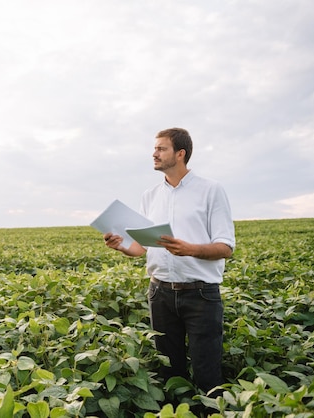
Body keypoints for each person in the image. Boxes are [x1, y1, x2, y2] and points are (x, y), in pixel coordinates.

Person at [103, 128, 235, 395]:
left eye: (161, 149)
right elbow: (141, 247)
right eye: (155, 149)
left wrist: (190, 249)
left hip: (201, 294)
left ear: (180, 154)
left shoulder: (211, 190)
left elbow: (225, 247)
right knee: (169, 372)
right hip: (159, 293)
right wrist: (121, 246)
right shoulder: (150, 195)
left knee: (207, 373)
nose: (154, 153)